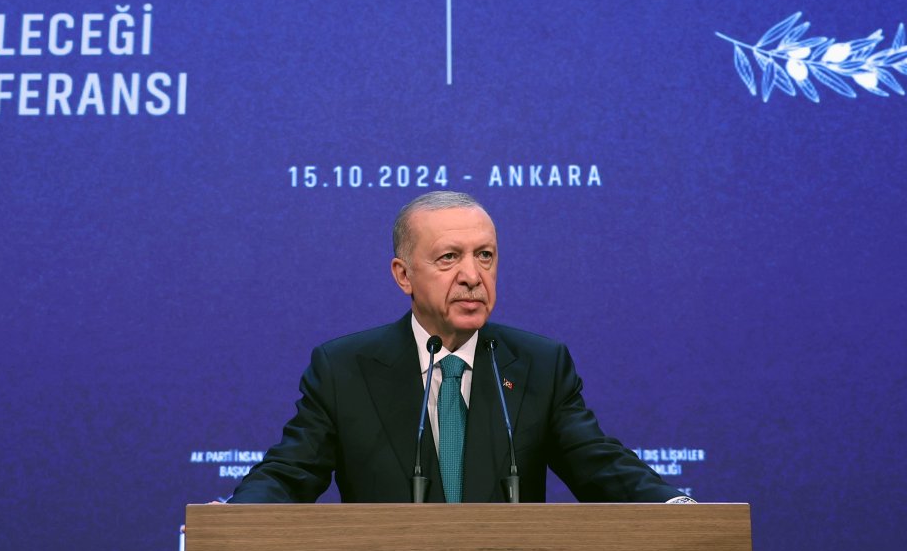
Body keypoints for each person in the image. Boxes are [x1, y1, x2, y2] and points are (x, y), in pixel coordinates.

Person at [229, 191, 692, 504]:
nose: (472, 276)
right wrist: (236, 516)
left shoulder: (539, 365)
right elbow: (291, 471)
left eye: (485, 256)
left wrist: (672, 505)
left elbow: (598, 463)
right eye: (449, 257)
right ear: (403, 275)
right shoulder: (344, 368)